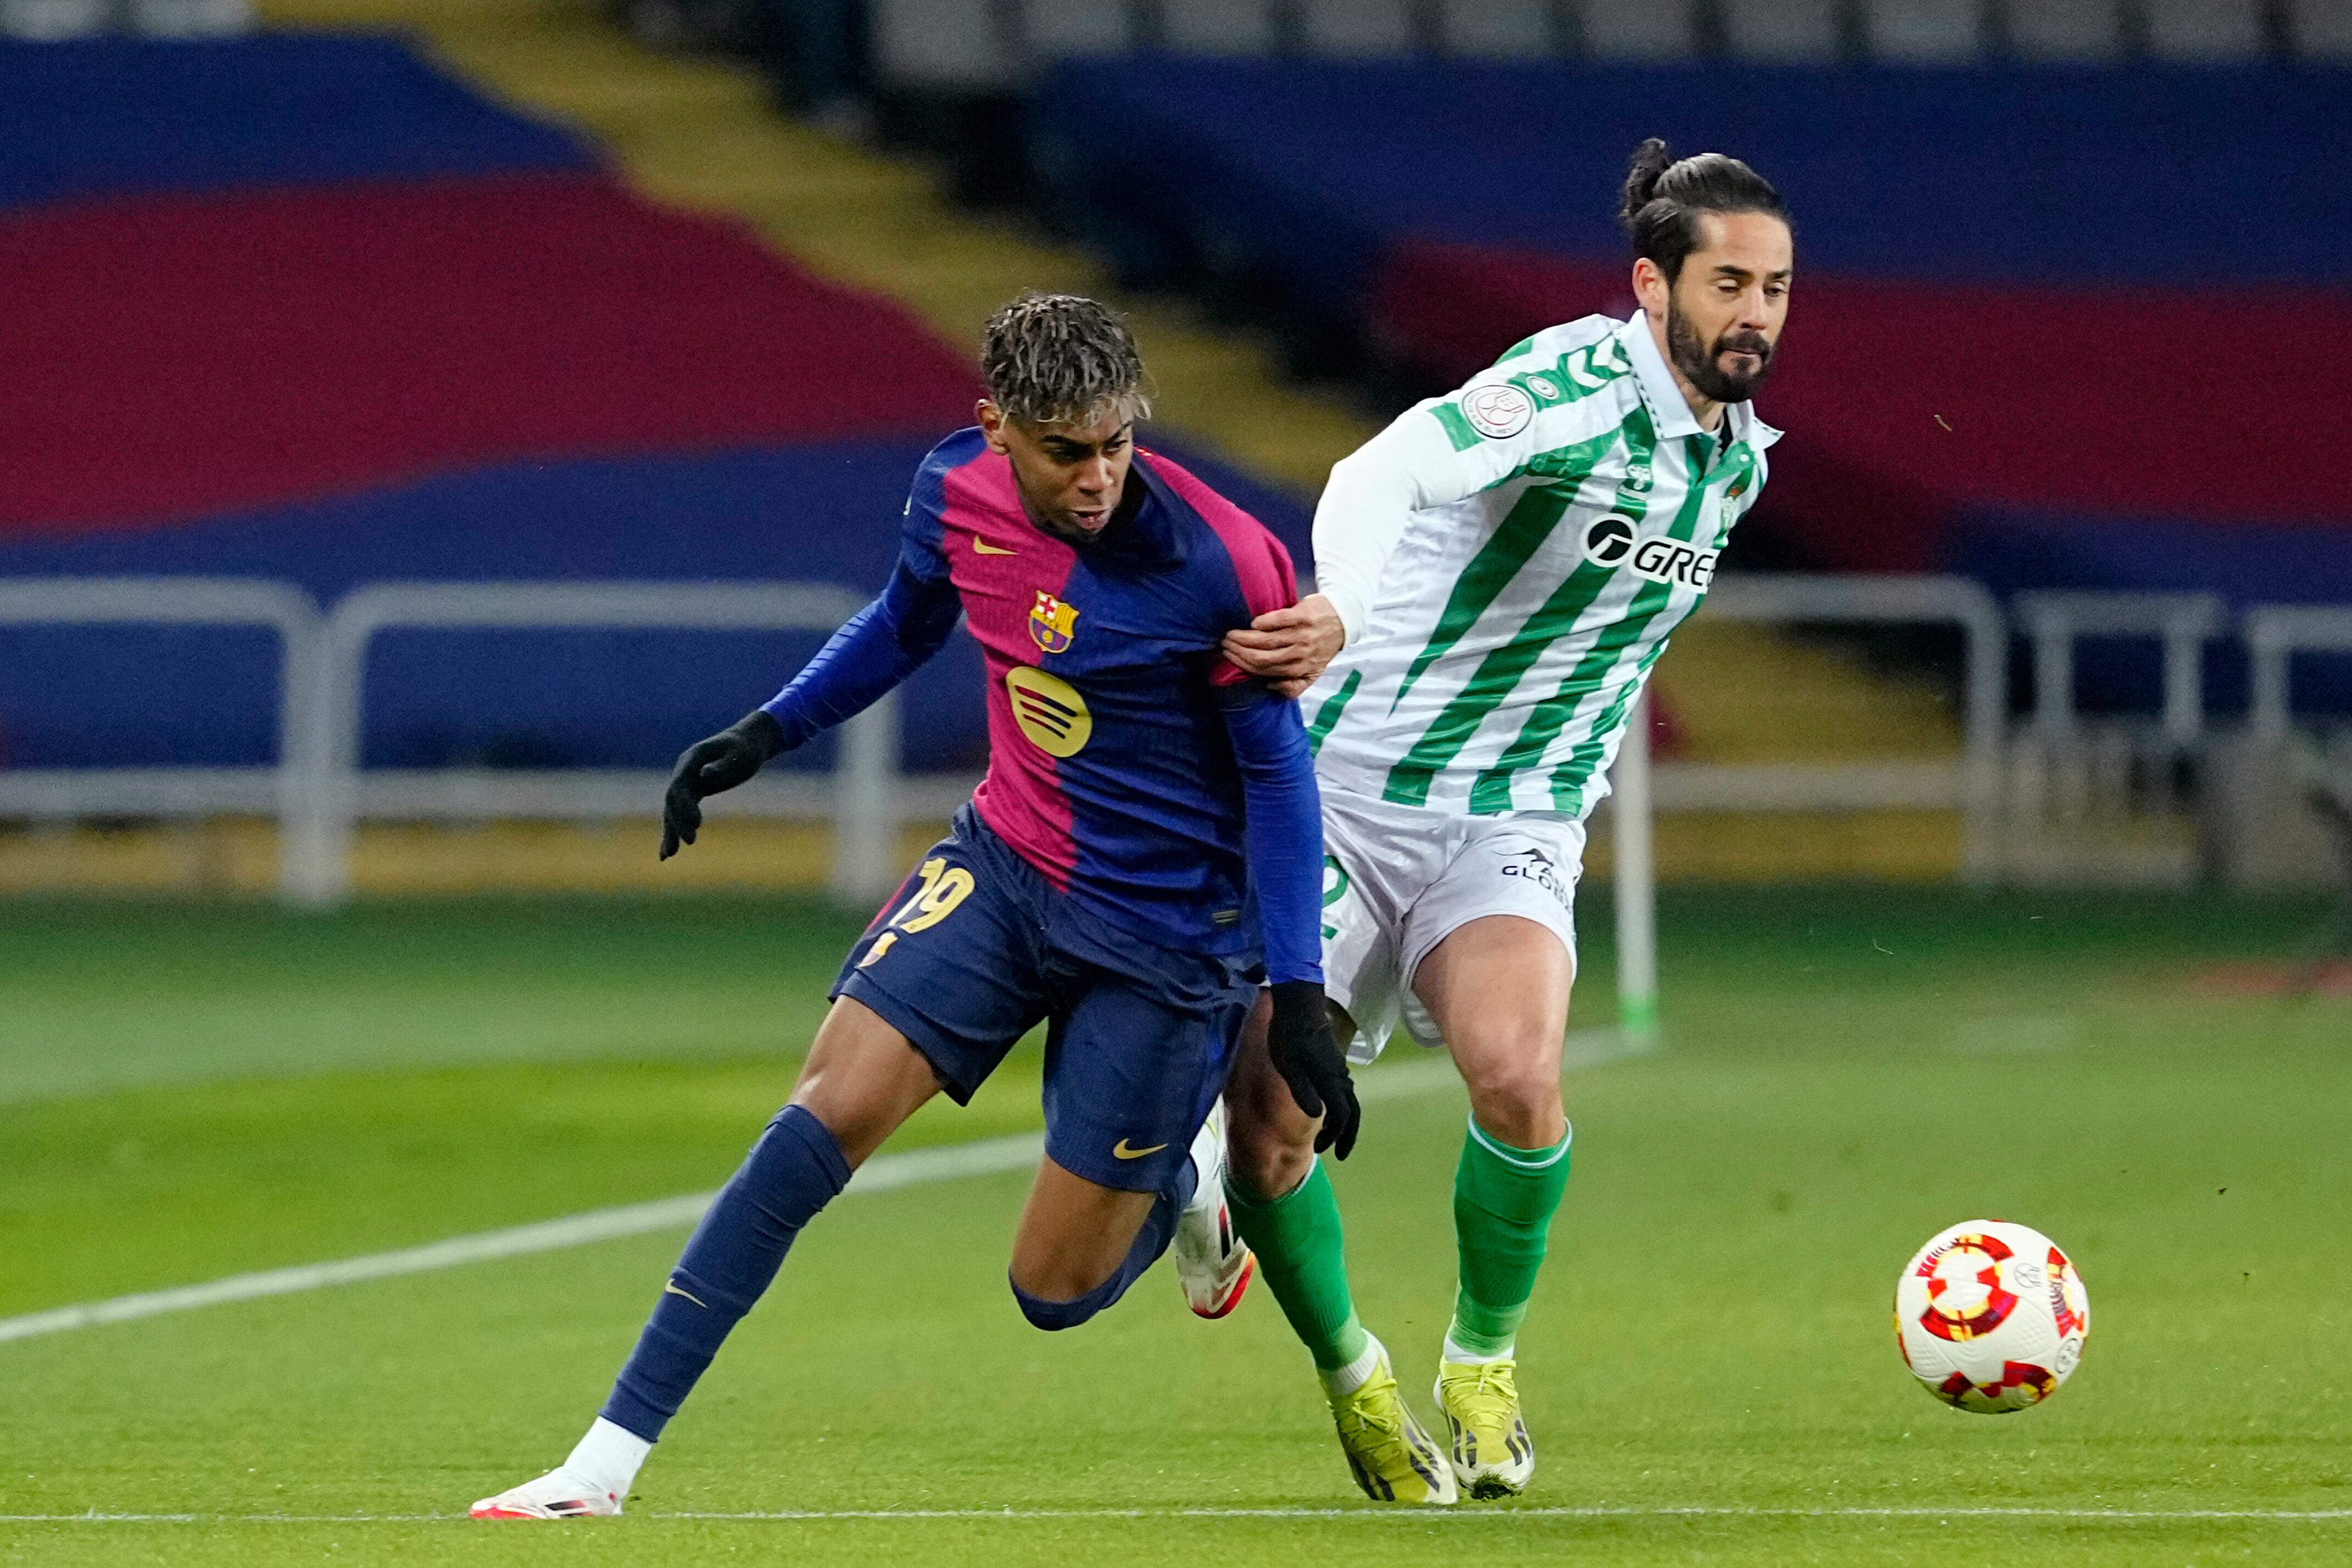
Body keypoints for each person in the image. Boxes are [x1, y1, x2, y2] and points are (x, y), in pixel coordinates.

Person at [470, 292, 1359, 1519]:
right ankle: (601, 1465)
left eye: (1116, 443)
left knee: (1050, 1290)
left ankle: (1183, 1189)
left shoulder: (1223, 561)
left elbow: (1273, 770)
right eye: (1064, 450)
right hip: (1005, 867)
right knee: (816, 1118)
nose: (1097, 476)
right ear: (995, 428)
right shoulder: (952, 493)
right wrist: (765, 730)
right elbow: (903, 623)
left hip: (1162, 937)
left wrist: (1296, 987)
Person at [1213, 140, 1794, 1503]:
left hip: (1510, 816)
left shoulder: (1736, 467)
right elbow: (1380, 468)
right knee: (1268, 1135)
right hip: (1349, 795)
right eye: (1728, 282)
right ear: (1651, 286)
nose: (1755, 313)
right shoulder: (1573, 385)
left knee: (1520, 1080)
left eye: (1774, 286)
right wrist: (1348, 606)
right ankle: (1352, 1376)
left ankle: (1480, 1365)